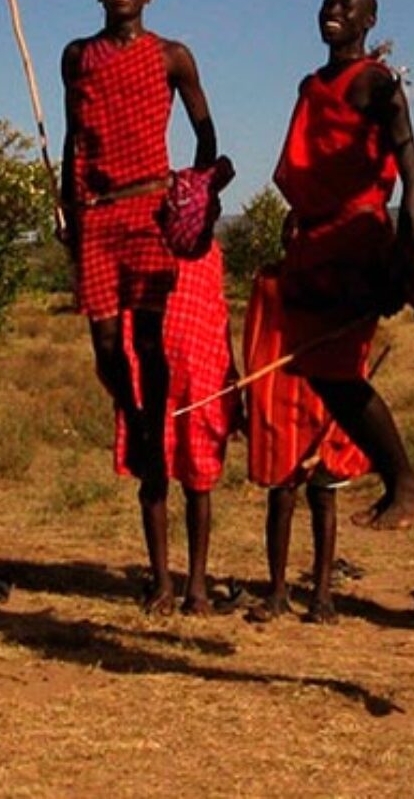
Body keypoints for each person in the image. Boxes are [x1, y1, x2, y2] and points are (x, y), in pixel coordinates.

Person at [60, 0, 222, 615]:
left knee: (150, 340)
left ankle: (150, 425)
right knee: (105, 344)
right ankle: (137, 418)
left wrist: (198, 189)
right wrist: (66, 208)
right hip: (96, 213)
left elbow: (206, 132)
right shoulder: (78, 56)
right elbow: (73, 136)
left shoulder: (172, 56)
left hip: (152, 204)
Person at [269, 0, 414, 531]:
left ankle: (403, 480)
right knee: (318, 368)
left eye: (347, 7)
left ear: (369, 22)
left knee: (336, 371)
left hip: (357, 239)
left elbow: (413, 182)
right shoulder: (311, 85)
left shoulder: (378, 86)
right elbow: (308, 165)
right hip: (314, 242)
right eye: (328, 3)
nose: (332, 13)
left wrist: (401, 261)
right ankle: (396, 480)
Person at [243, 265, 373, 624]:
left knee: (323, 493)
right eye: (290, 231)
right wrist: (256, 395)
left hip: (324, 391)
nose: (297, 237)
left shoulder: (340, 280)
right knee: (281, 494)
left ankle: (322, 596)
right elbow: (254, 339)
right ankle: (277, 591)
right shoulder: (268, 282)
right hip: (277, 390)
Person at [119, 241, 241, 614]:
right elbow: (127, 315)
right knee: (153, 480)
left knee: (198, 484)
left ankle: (197, 586)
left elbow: (219, 317)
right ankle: (162, 583)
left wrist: (230, 382)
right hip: (153, 379)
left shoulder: (214, 253)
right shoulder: (143, 248)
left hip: (203, 377)